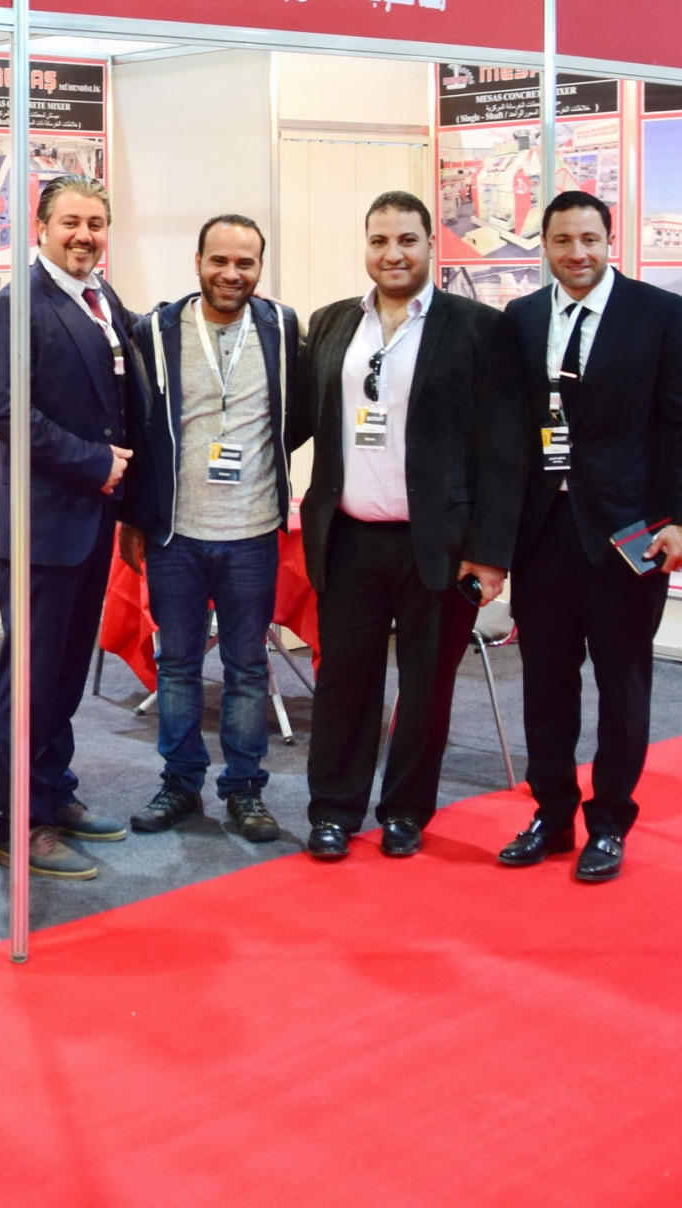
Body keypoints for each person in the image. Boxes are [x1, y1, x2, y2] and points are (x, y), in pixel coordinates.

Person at [498, 190, 682, 882]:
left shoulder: (663, 314)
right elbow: (508, 430)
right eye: (563, 240)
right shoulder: (522, 318)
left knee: (622, 685)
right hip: (543, 532)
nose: (577, 253)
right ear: (545, 245)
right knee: (545, 684)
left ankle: (610, 821)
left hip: (630, 534)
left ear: (609, 240)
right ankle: (552, 813)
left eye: (589, 239)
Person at [297, 191, 523, 861]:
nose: (392, 253)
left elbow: (503, 450)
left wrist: (490, 551)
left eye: (406, 240)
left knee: (426, 688)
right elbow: (302, 418)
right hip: (348, 540)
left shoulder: (478, 327)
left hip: (442, 547)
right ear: (366, 246)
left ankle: (405, 810)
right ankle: (333, 810)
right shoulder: (333, 322)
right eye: (379, 240)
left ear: (430, 246)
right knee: (345, 684)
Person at [117, 214, 309, 844]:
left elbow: (299, 413)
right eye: (219, 261)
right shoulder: (157, 331)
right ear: (197, 262)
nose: (231, 273)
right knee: (176, 666)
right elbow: (137, 425)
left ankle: (245, 789)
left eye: (245, 263)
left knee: (247, 668)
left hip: (252, 532)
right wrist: (134, 517)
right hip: (176, 534)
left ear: (260, 267)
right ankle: (180, 782)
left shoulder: (282, 327)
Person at [0, 176, 138, 880]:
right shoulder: (19, 303)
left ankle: (54, 792)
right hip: (40, 528)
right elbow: (6, 411)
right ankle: (19, 826)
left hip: (90, 523)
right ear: (40, 227)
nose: (85, 235)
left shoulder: (103, 301)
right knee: (31, 679)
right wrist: (95, 463)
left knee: (67, 673)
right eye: (71, 221)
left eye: (96, 223)